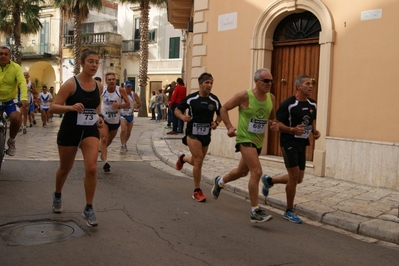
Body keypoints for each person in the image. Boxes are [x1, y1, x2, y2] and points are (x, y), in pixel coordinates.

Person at [211, 68, 279, 223]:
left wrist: (274, 124)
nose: (269, 84)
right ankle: (255, 211)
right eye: (266, 81)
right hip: (244, 138)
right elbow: (224, 108)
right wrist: (228, 126)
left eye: (271, 81)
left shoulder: (272, 98)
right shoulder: (244, 96)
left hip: (258, 141)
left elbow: (273, 117)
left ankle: (220, 181)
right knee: (257, 171)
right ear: (256, 81)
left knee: (242, 172)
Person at [49, 49, 104, 227]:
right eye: (90, 61)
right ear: (82, 63)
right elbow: (53, 107)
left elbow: (96, 108)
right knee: (65, 168)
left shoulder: (99, 86)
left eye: (96, 62)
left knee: (92, 168)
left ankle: (89, 207)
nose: (94, 65)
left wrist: (100, 118)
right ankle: (57, 194)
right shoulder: (71, 84)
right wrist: (70, 108)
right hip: (70, 129)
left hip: (89, 130)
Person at [261, 74, 321, 224]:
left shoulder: (312, 104)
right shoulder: (289, 104)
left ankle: (270, 180)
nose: (311, 86)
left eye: (311, 83)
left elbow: (310, 121)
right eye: (307, 84)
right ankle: (289, 210)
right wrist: (292, 130)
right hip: (288, 141)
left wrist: (314, 132)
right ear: (298, 86)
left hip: (302, 142)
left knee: (298, 178)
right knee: (294, 176)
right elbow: (276, 123)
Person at [174, 72, 222, 202]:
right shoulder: (192, 98)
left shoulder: (214, 99)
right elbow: (177, 110)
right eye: (207, 82)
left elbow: (221, 113)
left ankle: (182, 158)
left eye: (211, 83)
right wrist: (182, 117)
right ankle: (197, 190)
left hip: (206, 134)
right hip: (192, 133)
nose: (209, 85)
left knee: (197, 162)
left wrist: (216, 122)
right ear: (200, 84)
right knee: (199, 159)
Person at [0, 46, 28, 156]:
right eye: (0, 53)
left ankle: (11, 141)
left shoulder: (16, 67)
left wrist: (24, 98)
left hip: (10, 100)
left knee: (16, 117)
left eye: (5, 54)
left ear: (10, 56)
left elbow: (22, 83)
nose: (2, 56)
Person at [99, 72, 130, 172]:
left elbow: (128, 104)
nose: (111, 81)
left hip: (115, 120)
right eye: (109, 79)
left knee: (109, 141)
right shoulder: (102, 90)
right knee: (104, 138)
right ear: (106, 81)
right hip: (104, 118)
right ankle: (105, 162)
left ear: (115, 80)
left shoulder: (120, 90)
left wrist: (119, 106)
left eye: (113, 79)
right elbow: (95, 100)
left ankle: (102, 151)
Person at [119, 80, 141, 154]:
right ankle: (122, 145)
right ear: (124, 87)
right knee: (123, 130)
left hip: (130, 115)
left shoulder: (133, 94)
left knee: (128, 132)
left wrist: (136, 106)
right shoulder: (121, 94)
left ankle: (124, 143)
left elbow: (139, 103)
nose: (129, 88)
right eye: (127, 87)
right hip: (123, 115)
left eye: (130, 87)